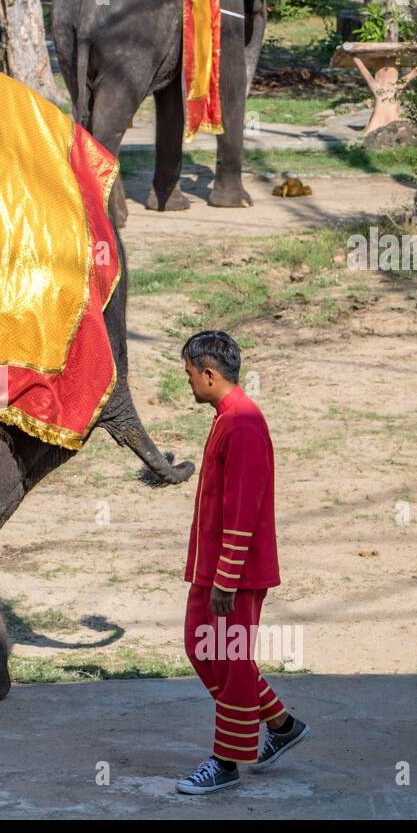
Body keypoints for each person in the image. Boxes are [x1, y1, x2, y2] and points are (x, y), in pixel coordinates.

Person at [173, 330, 310, 795]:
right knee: (202, 647)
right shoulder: (226, 418)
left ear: (209, 374)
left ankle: (226, 762)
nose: (188, 382)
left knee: (230, 660)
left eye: (190, 374)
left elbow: (244, 507)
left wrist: (227, 578)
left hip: (234, 575)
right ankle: (281, 724)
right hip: (212, 570)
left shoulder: (245, 424)